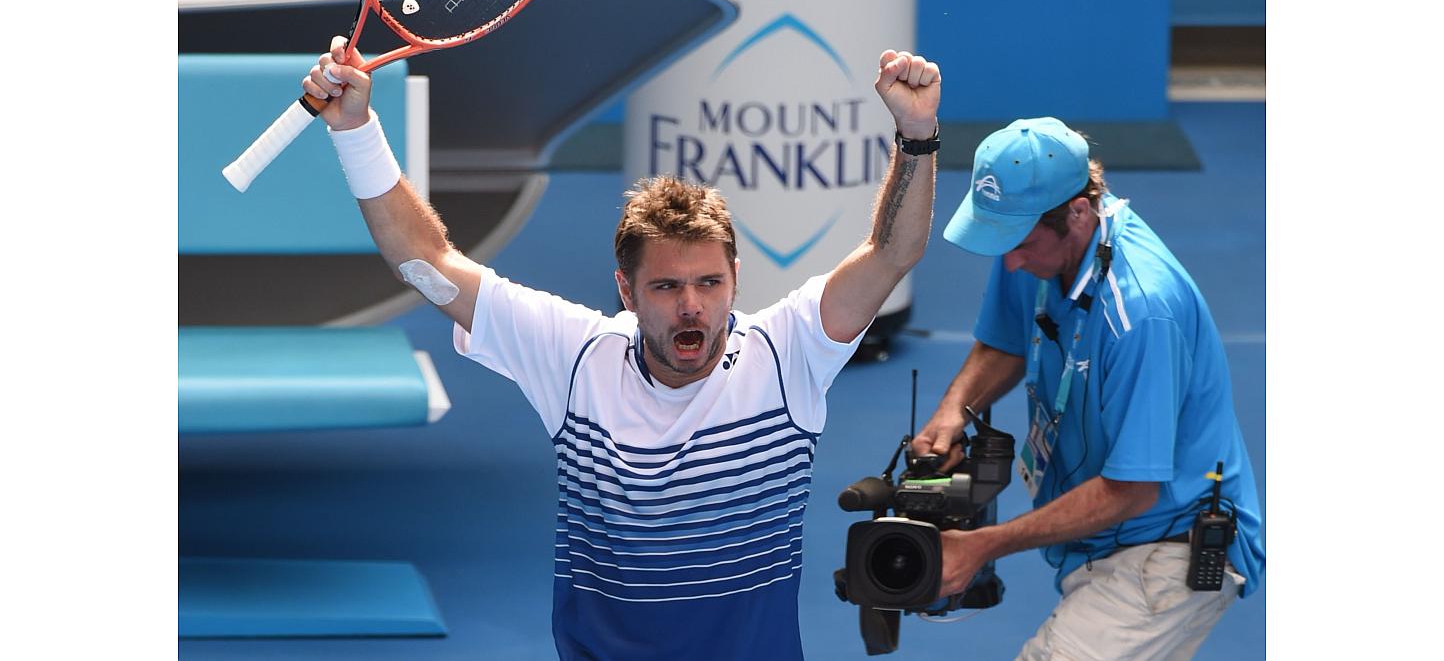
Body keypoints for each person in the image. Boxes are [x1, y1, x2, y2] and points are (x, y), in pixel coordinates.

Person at [304, 37, 942, 660]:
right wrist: (355, 129)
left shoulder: (788, 352)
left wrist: (917, 134)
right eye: (665, 286)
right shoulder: (577, 358)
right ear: (626, 292)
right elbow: (426, 263)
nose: (692, 305)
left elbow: (893, 253)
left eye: (709, 283)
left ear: (735, 281)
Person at [910, 117, 1264, 659]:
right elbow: (1006, 341)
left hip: (1167, 548)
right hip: (1106, 539)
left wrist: (980, 546)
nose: (1008, 262)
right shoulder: (1031, 238)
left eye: (1020, 243)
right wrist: (952, 413)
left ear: (1077, 213)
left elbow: (1132, 489)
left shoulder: (1142, 314)